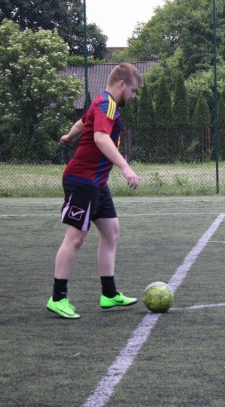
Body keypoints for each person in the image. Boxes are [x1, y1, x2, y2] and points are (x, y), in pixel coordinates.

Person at [46, 63, 143, 319]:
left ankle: (109, 294)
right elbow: (101, 138)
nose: (133, 97)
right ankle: (58, 298)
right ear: (121, 84)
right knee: (75, 238)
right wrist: (125, 167)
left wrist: (69, 136)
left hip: (97, 183)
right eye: (133, 91)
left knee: (111, 232)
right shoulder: (106, 104)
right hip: (82, 180)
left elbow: (81, 122)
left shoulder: (101, 102)